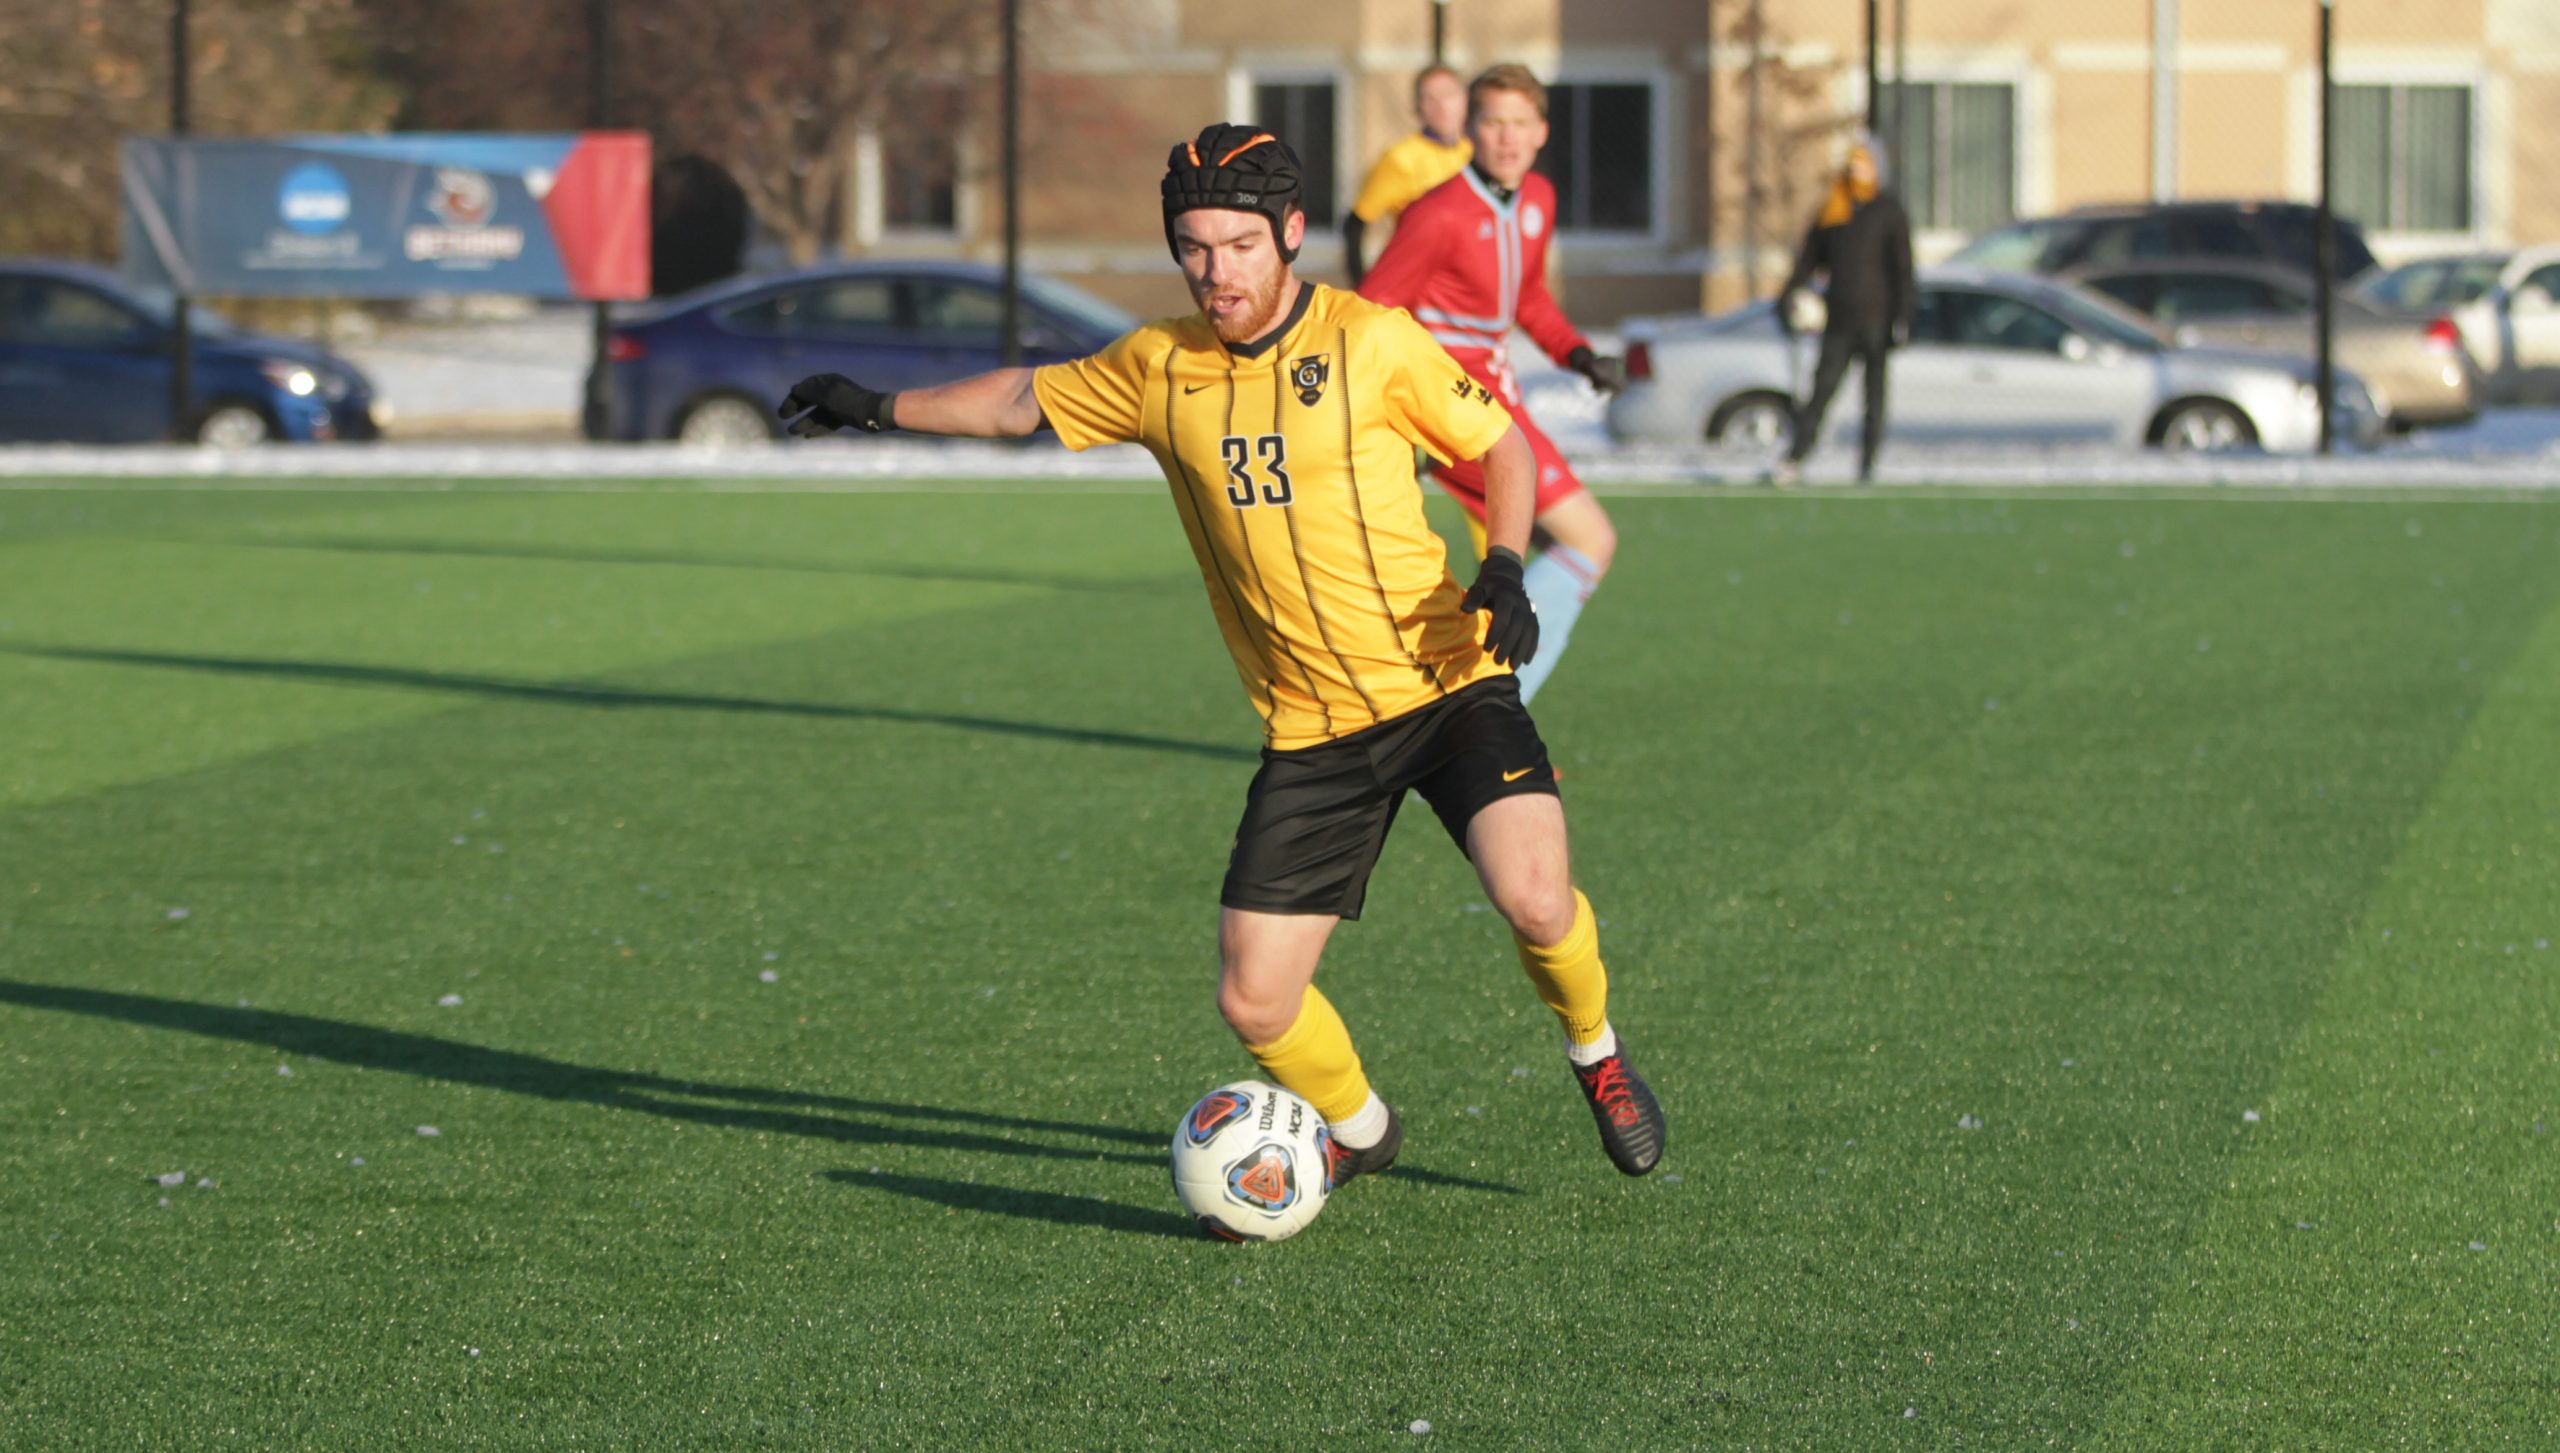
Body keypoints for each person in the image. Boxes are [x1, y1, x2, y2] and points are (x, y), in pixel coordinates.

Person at [778, 124, 1665, 1189]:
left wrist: (1509, 564)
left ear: (1290, 234)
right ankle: (1362, 1128)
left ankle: (1596, 1053)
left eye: (1239, 244)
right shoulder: (1160, 366)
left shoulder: (1371, 341)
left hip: (1445, 681)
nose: (1215, 271)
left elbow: (1502, 445)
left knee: (1533, 897)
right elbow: (1022, 401)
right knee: (1253, 1001)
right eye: (1193, 246)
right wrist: (874, 408)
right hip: (1312, 731)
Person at [1359, 63, 1624, 706]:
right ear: (1471, 130)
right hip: (1455, 412)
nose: (1506, 137)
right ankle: (1490, 719)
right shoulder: (1438, 212)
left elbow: (1527, 295)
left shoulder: (1538, 199)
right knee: (1589, 540)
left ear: (1541, 132)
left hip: (1500, 402)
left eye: (1519, 123)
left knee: (1547, 554)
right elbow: (1370, 314)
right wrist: (1395, 415)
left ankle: (1474, 709)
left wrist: (1577, 352)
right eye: (1492, 122)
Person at [1773, 134, 1915, 486]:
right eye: (1853, 161)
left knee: (1874, 397)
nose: (1857, 169)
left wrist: (1903, 318)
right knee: (1822, 390)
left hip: (1876, 321)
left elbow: (1903, 270)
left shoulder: (1888, 212)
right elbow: (1808, 262)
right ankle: (1795, 456)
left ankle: (1867, 465)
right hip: (1839, 319)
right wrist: (1789, 294)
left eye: (1863, 162)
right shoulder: (1833, 211)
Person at [1342, 65, 1472, 287]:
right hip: (1423, 283)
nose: (1442, 106)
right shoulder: (1400, 159)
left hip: (1468, 280)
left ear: (1464, 99)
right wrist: (1362, 289)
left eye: (1449, 95)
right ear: (1417, 107)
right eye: (1430, 98)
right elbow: (1355, 225)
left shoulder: (1474, 153)